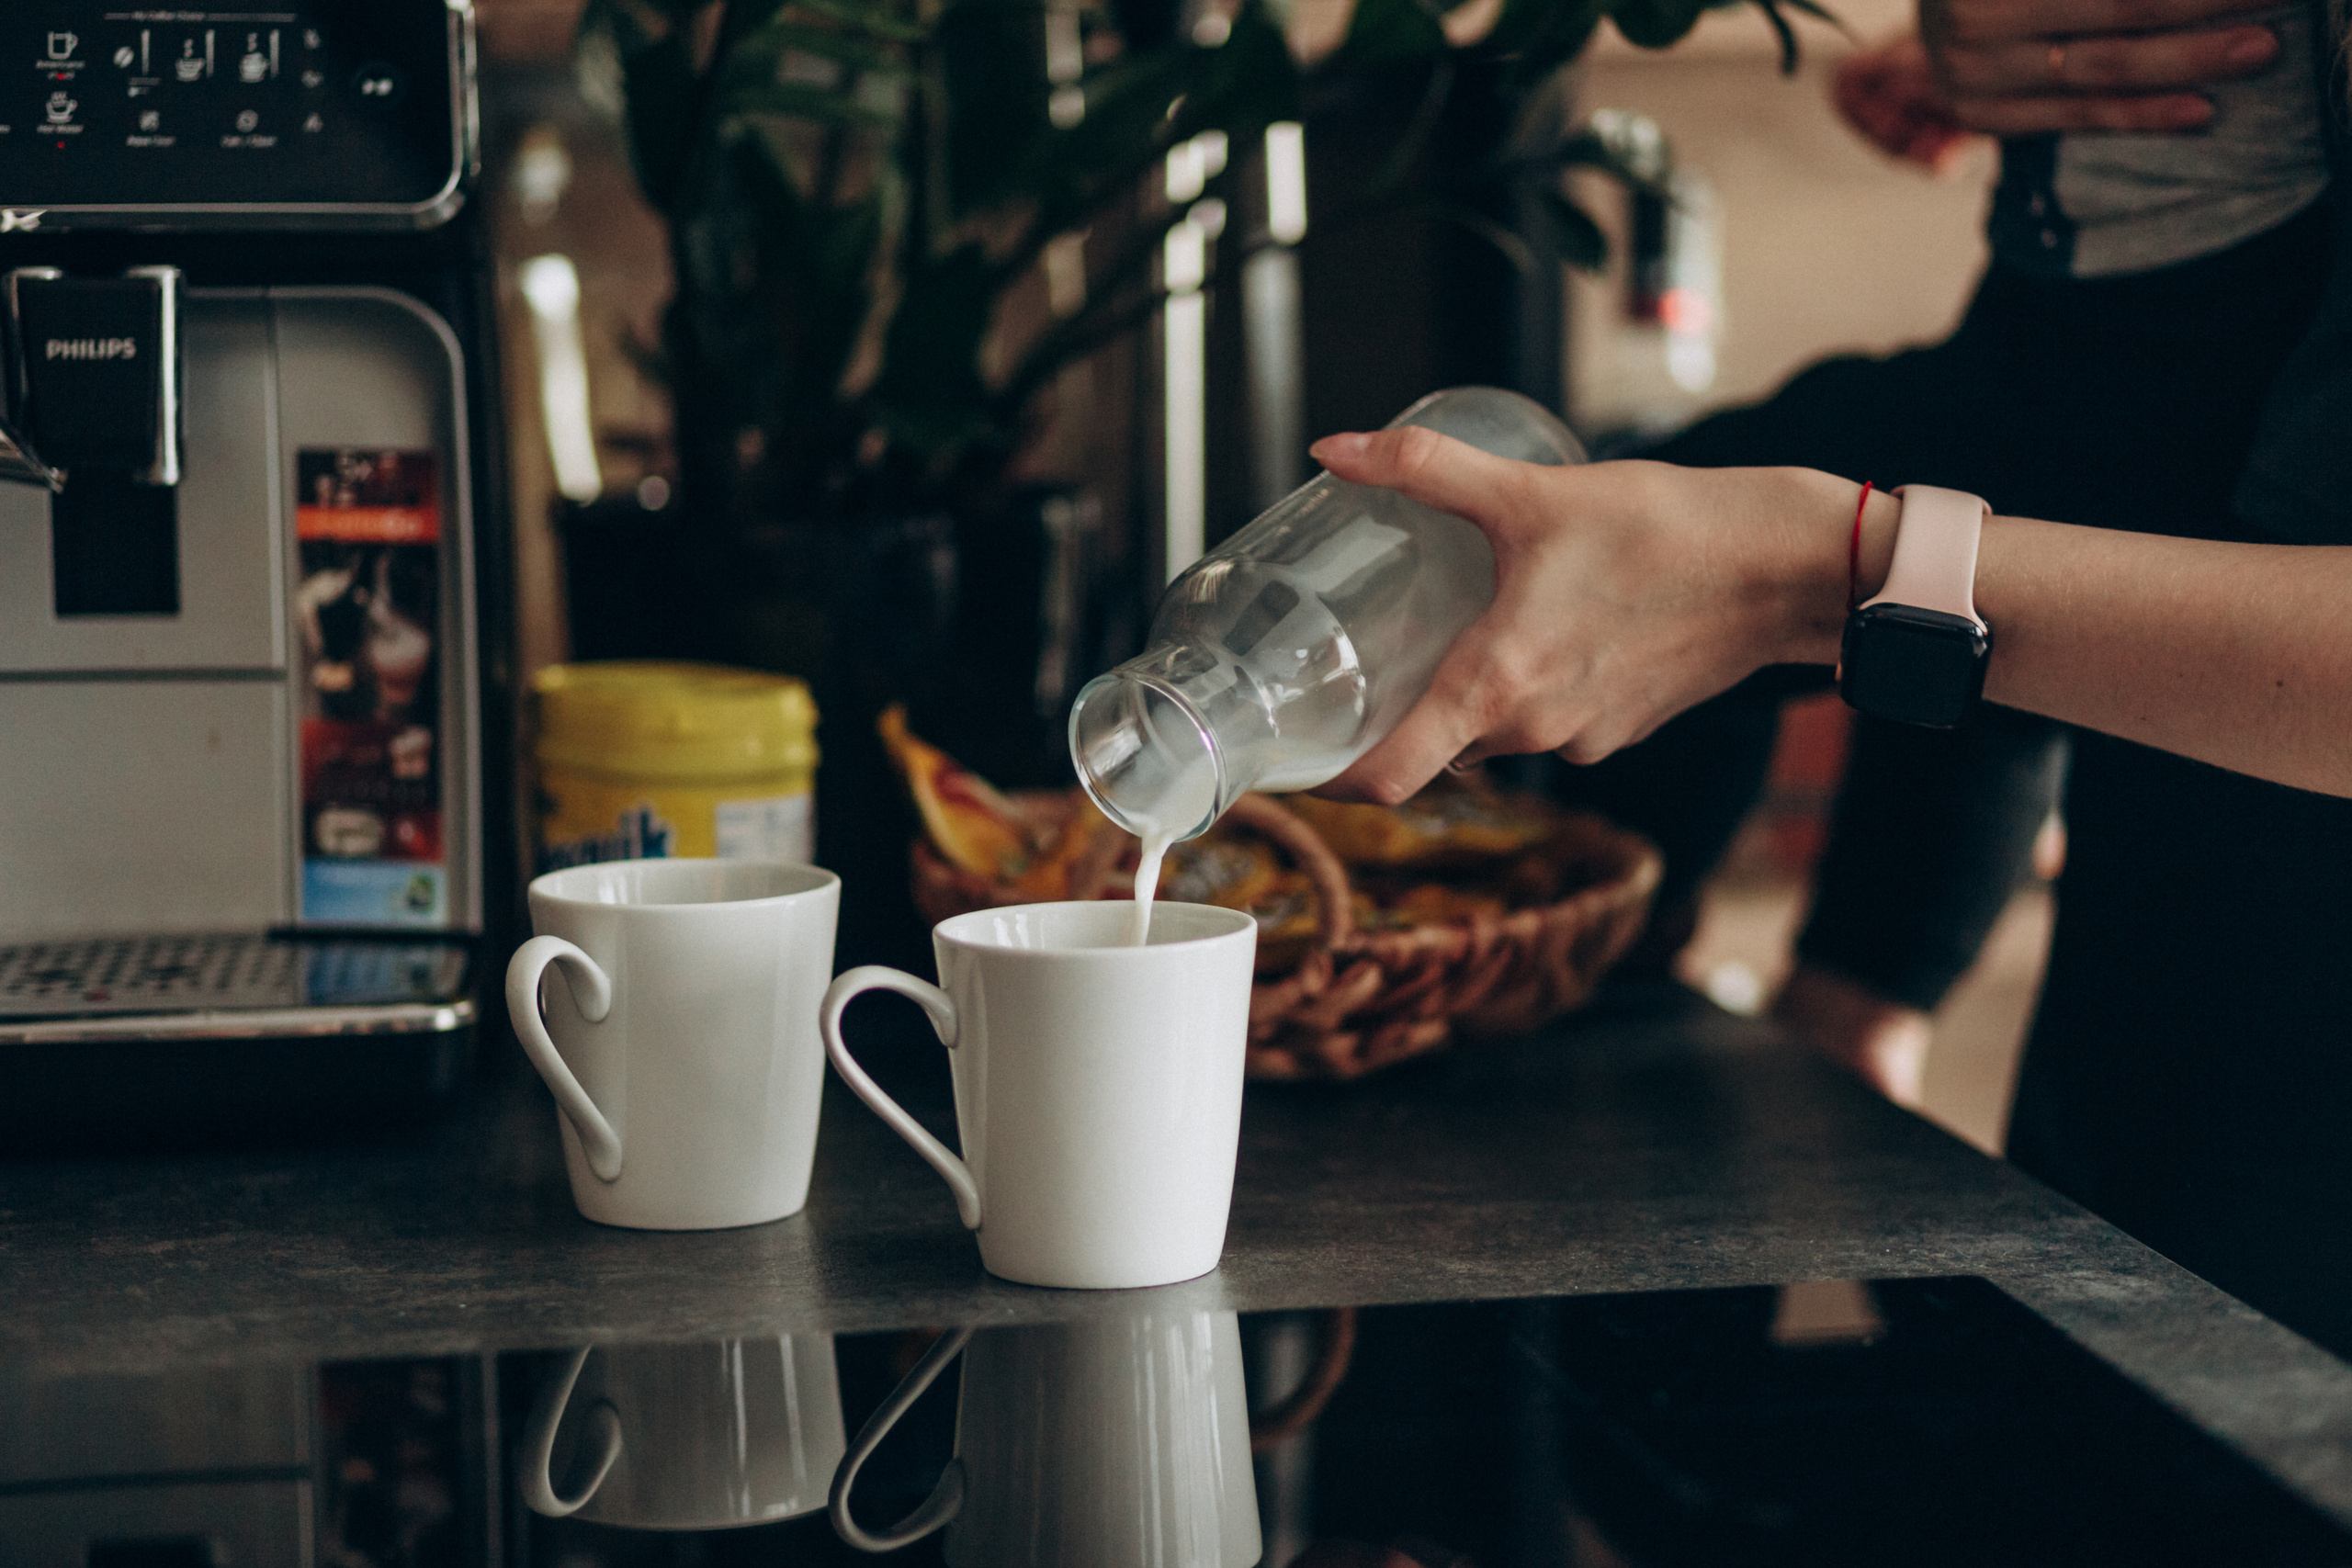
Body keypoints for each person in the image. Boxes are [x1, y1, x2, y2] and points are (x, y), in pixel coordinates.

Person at [1542, 0, 2340, 1110]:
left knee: (1937, 605)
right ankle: (1806, 1009)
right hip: (2043, 357)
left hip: (2189, 415)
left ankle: (1789, 999)